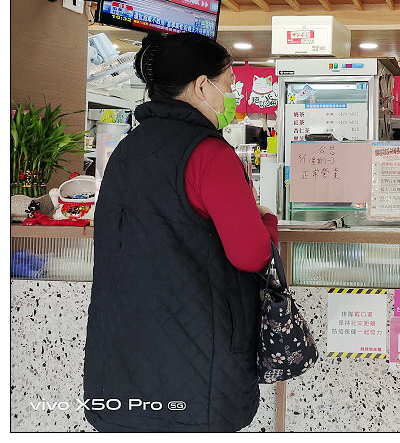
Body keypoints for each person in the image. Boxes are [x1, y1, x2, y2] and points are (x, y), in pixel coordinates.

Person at [83, 32, 278, 432]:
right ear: (202, 85)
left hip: (120, 356)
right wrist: (266, 220)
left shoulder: (127, 149)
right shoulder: (210, 154)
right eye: (228, 86)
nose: (232, 96)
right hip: (196, 366)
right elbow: (251, 254)